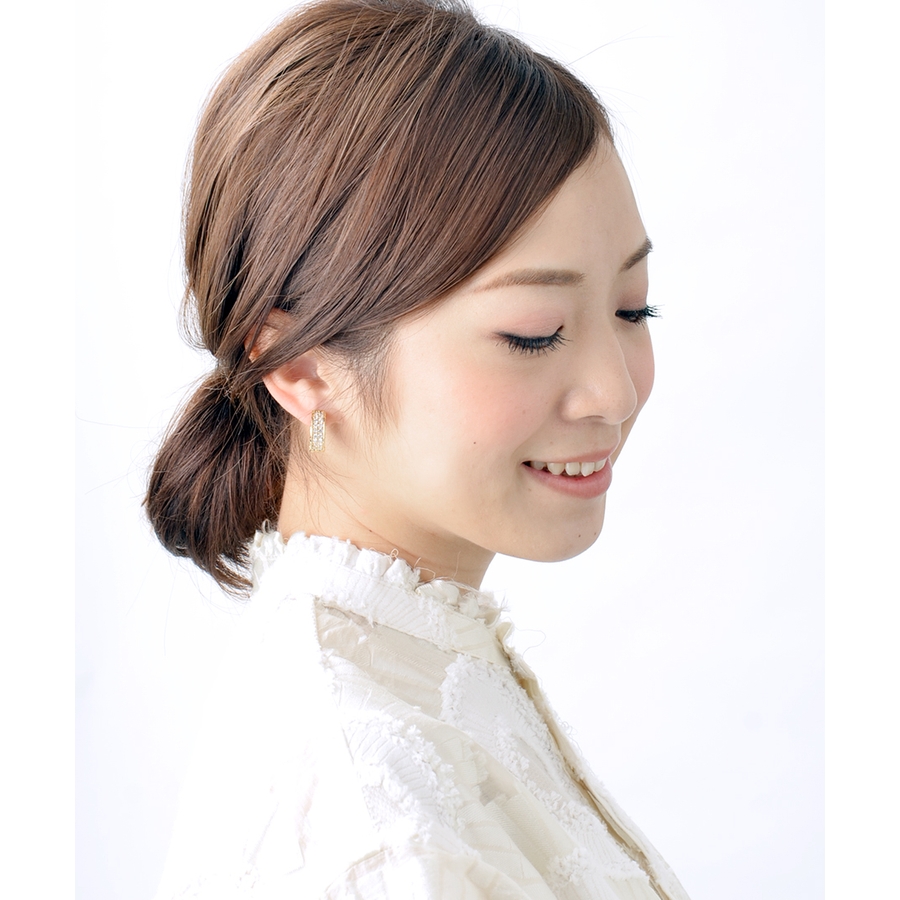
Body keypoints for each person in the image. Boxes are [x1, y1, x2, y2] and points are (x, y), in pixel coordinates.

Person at [146, 0, 690, 896]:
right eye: (533, 331)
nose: (616, 393)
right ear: (302, 365)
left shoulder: (412, 666)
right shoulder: (377, 825)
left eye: (634, 309)